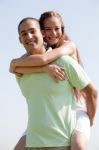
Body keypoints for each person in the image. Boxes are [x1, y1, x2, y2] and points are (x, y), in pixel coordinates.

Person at [10, 15, 97, 150]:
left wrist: (91, 119)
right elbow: (14, 67)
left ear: (41, 34)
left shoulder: (66, 53)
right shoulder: (22, 67)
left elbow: (92, 92)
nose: (53, 33)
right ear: (20, 39)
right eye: (24, 33)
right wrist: (44, 69)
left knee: (78, 145)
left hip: (77, 109)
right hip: (38, 133)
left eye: (33, 31)